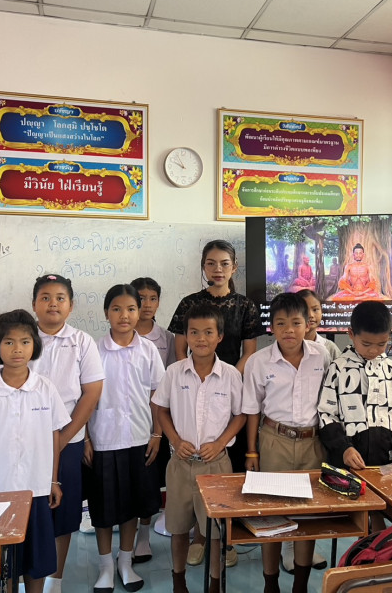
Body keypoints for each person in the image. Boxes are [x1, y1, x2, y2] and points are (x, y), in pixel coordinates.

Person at [0, 309, 70, 593]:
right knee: (5, 561)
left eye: (25, 341)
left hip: (36, 489)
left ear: (34, 346)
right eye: (9, 342)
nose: (17, 349)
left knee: (37, 559)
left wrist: (54, 480)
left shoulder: (46, 389)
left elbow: (54, 436)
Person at [168, 239, 261, 567]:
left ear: (234, 267)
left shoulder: (246, 306)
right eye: (211, 263)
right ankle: (199, 537)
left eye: (224, 263)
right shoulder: (189, 303)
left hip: (230, 392)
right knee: (194, 475)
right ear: (203, 267)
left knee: (227, 471)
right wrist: (203, 378)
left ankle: (226, 537)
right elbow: (180, 350)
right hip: (194, 388)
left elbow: (249, 353)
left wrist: (225, 378)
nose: (217, 269)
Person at [153, 303, 245, 593]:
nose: (201, 338)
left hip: (217, 465)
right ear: (186, 336)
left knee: (216, 533)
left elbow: (240, 415)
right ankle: (178, 581)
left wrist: (219, 443)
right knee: (178, 528)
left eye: (208, 332)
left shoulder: (231, 375)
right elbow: (161, 409)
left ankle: (215, 584)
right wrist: (175, 440)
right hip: (180, 464)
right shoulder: (174, 372)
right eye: (194, 332)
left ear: (220, 336)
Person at [243, 292, 330, 593]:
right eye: (281, 323)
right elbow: (252, 409)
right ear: (272, 327)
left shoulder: (322, 356)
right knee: (272, 515)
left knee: (308, 516)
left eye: (296, 323)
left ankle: (300, 585)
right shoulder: (259, 361)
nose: (289, 330)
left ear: (308, 324)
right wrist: (252, 451)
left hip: (312, 442)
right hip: (274, 441)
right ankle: (271, 584)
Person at [27, 274, 105, 593]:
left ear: (71, 306)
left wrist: (64, 437)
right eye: (45, 297)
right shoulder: (20, 339)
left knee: (63, 514)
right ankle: (27, 576)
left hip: (67, 440)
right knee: (28, 511)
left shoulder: (82, 342)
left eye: (60, 298)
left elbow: (91, 392)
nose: (53, 304)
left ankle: (54, 581)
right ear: (34, 304)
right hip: (26, 443)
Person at [86, 284, 165, 593]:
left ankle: (125, 562)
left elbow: (158, 396)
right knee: (104, 509)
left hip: (140, 439)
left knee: (133, 506)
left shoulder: (148, 350)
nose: (124, 315)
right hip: (104, 440)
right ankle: (105, 566)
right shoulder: (93, 350)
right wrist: (86, 439)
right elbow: (84, 399)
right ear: (106, 312)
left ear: (139, 312)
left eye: (131, 309)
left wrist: (157, 433)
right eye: (117, 309)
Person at [318, 300, 392, 470]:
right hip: (346, 466)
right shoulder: (338, 369)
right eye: (366, 344)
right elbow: (326, 415)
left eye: (381, 344)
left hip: (387, 465)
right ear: (351, 333)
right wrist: (344, 448)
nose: (373, 350)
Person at [130, 276, 177, 554]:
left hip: (156, 419)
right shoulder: (119, 335)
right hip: (127, 420)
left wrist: (159, 429)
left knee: (151, 479)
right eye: (140, 298)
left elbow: (167, 385)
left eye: (153, 298)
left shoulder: (167, 339)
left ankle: (144, 536)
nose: (146, 304)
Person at [297, 289, 340, 362]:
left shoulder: (330, 348)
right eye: (305, 310)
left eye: (315, 309)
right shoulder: (285, 347)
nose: (311, 315)